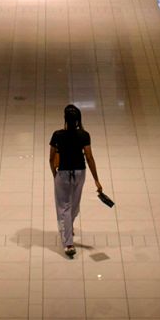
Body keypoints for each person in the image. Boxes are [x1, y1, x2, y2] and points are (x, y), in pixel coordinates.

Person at [49, 104, 103, 258]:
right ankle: (69, 228)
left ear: (65, 119)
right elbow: (89, 157)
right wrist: (96, 180)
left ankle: (69, 244)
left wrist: (55, 174)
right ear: (79, 119)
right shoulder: (84, 135)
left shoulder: (57, 135)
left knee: (63, 207)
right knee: (74, 204)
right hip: (80, 172)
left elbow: (51, 158)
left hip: (63, 173)